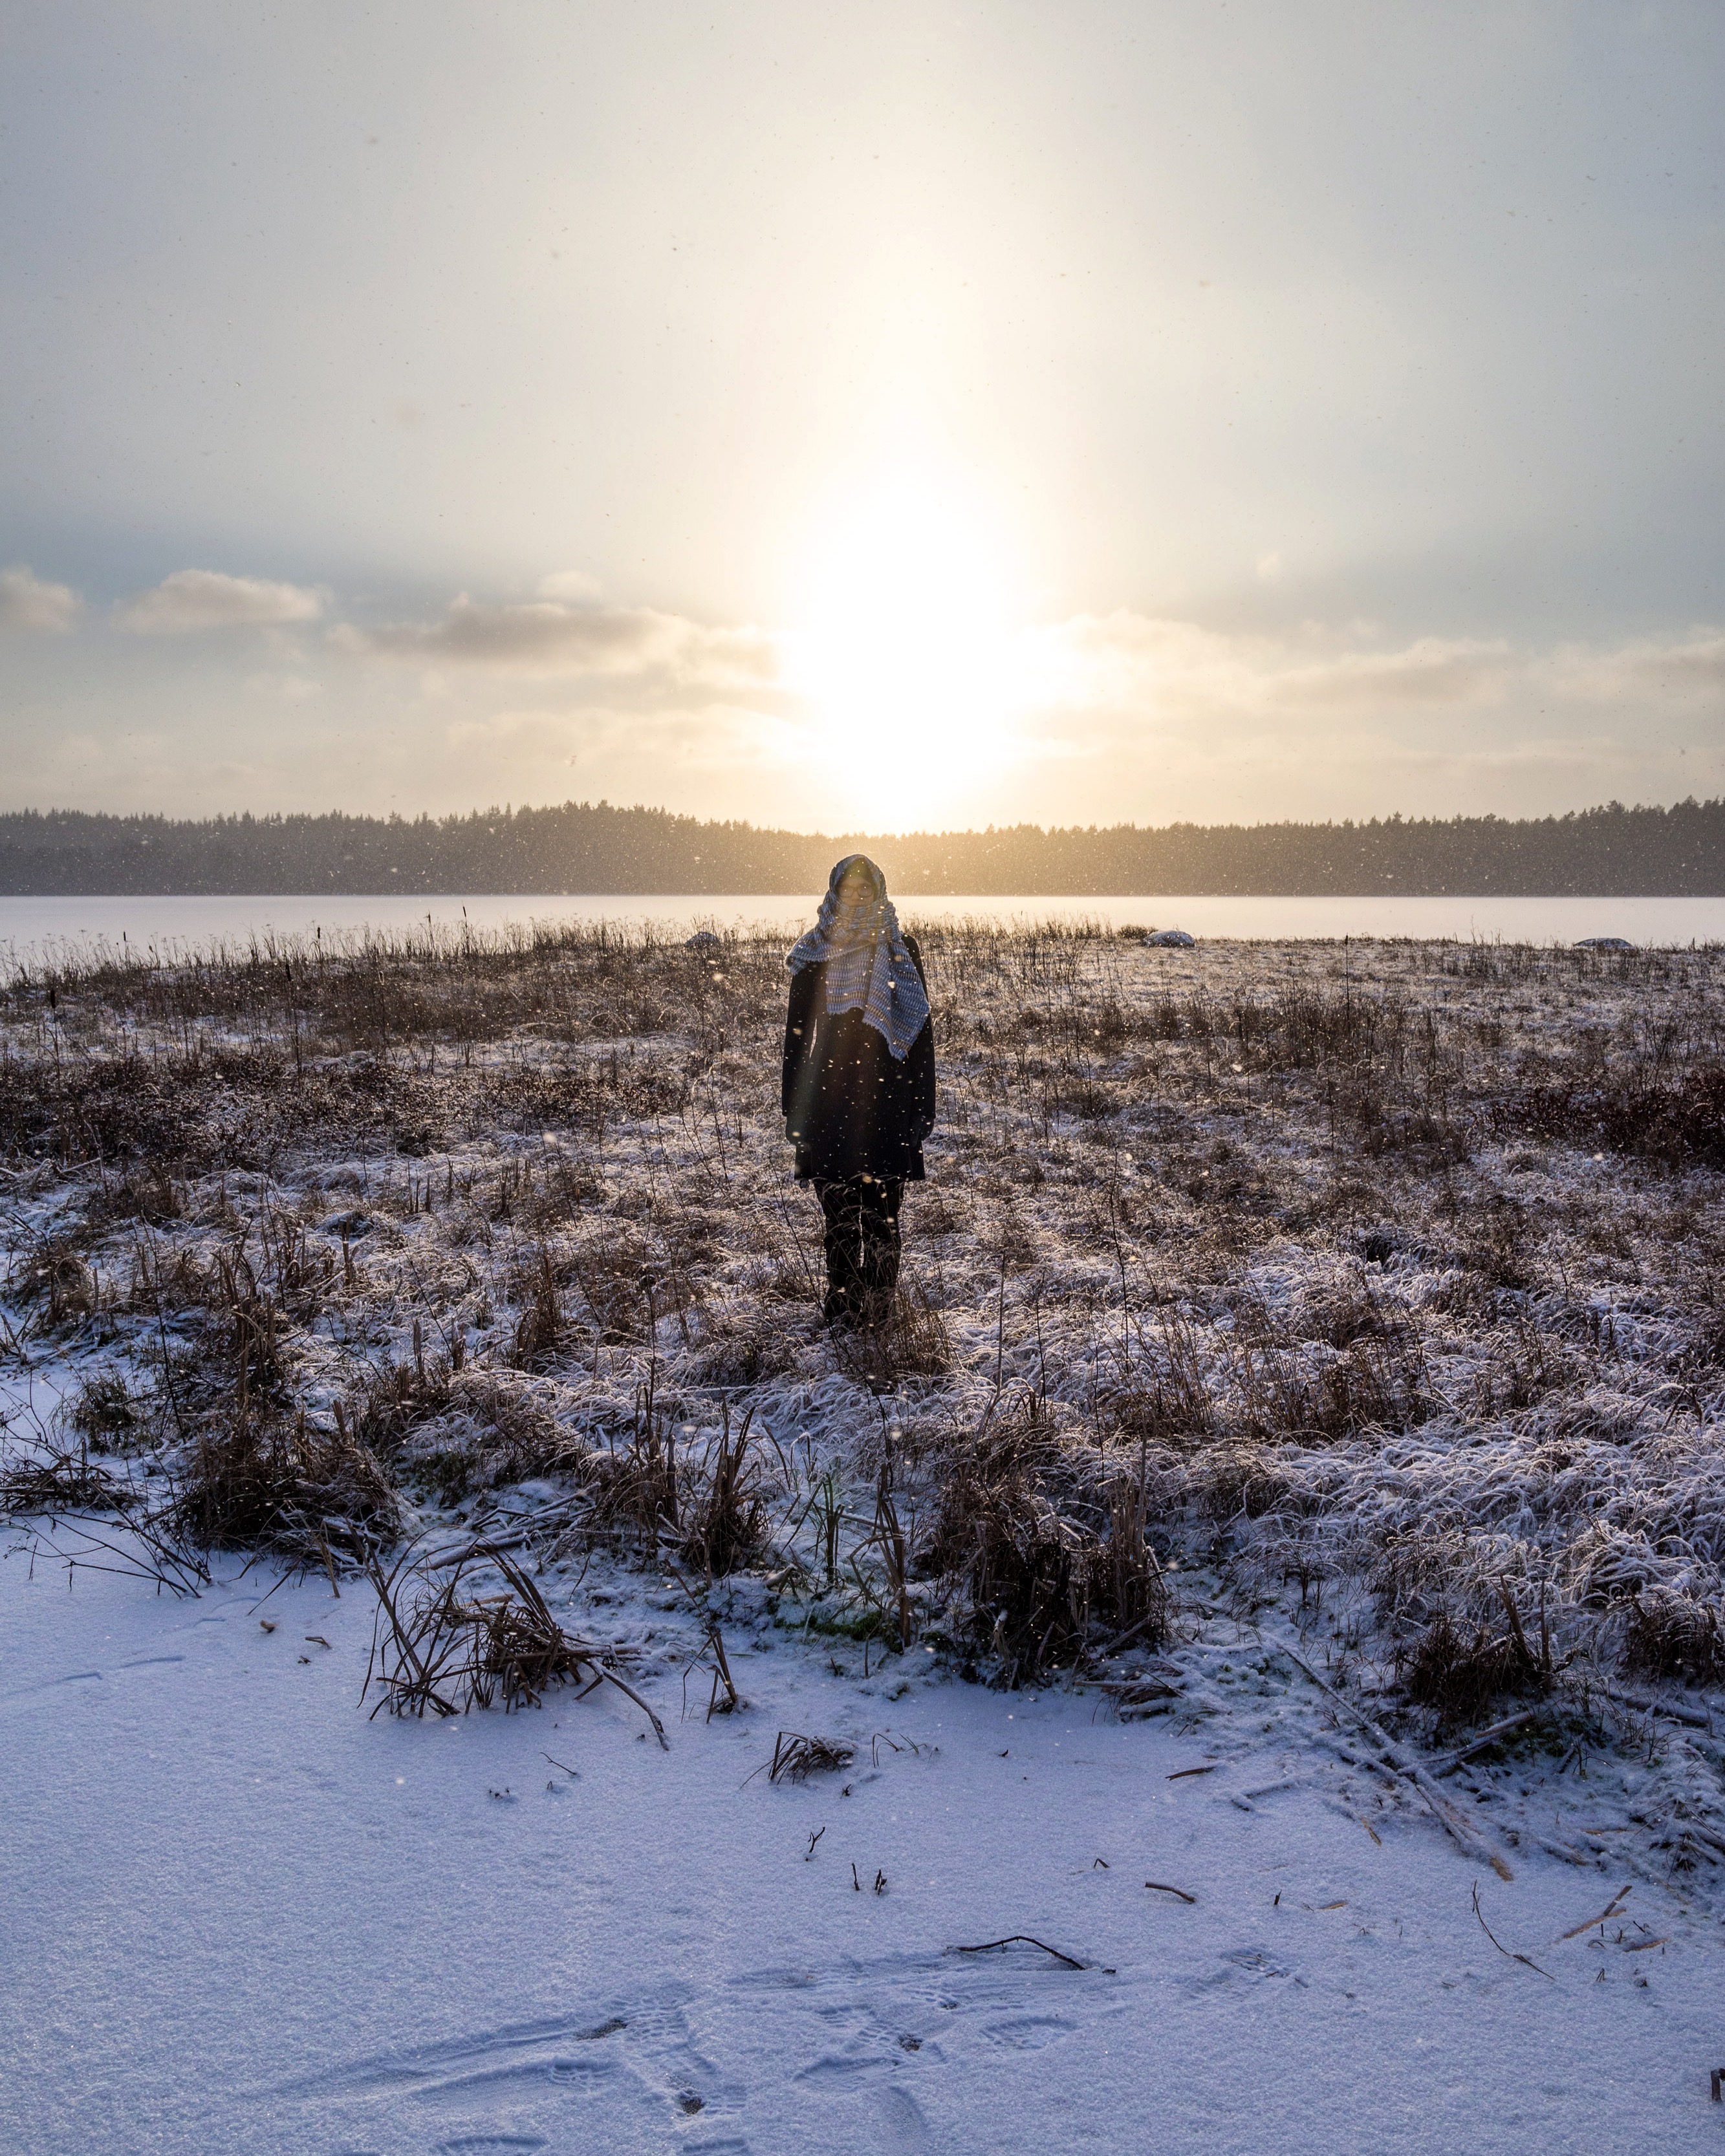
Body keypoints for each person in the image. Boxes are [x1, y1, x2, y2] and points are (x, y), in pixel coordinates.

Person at [783, 856, 936, 1328]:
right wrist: (793, 1106)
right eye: (848, 890)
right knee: (839, 1215)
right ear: (833, 893)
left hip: (888, 1097)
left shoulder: (899, 947)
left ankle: (880, 1307)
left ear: (878, 893)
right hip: (827, 1096)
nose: (856, 898)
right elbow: (795, 1035)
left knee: (884, 1214)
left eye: (864, 891)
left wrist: (922, 1106)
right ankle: (844, 1304)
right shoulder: (815, 951)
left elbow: (920, 1032)